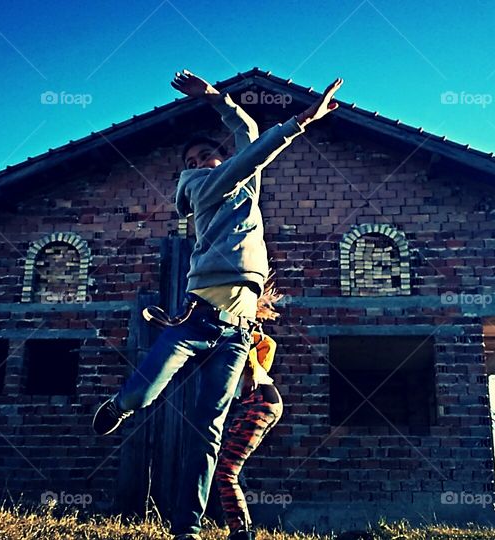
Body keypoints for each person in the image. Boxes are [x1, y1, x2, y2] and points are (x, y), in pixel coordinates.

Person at [92, 69, 343, 540]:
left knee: (208, 432)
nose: (204, 160)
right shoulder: (204, 189)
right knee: (146, 394)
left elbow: (247, 137)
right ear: (185, 172)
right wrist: (302, 120)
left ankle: (186, 529)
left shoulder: (244, 187)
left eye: (209, 154)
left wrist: (213, 97)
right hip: (195, 320)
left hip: (237, 334)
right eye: (194, 158)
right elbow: (255, 150)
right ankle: (120, 404)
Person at [213, 277, 285, 540]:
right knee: (226, 466)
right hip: (264, 403)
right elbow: (269, 344)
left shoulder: (237, 333)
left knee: (226, 470)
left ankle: (242, 533)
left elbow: (255, 345)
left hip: (260, 404)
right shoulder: (246, 336)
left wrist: (254, 369)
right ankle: (241, 530)